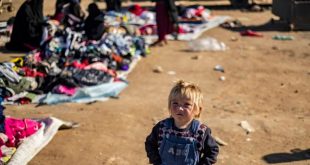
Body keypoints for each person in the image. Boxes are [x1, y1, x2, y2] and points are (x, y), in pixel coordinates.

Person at [145, 80, 219, 165]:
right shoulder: (162, 128)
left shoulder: (201, 132)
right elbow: (150, 143)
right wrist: (156, 161)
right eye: (175, 103)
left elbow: (212, 151)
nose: (180, 108)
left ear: (198, 110)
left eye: (186, 104)